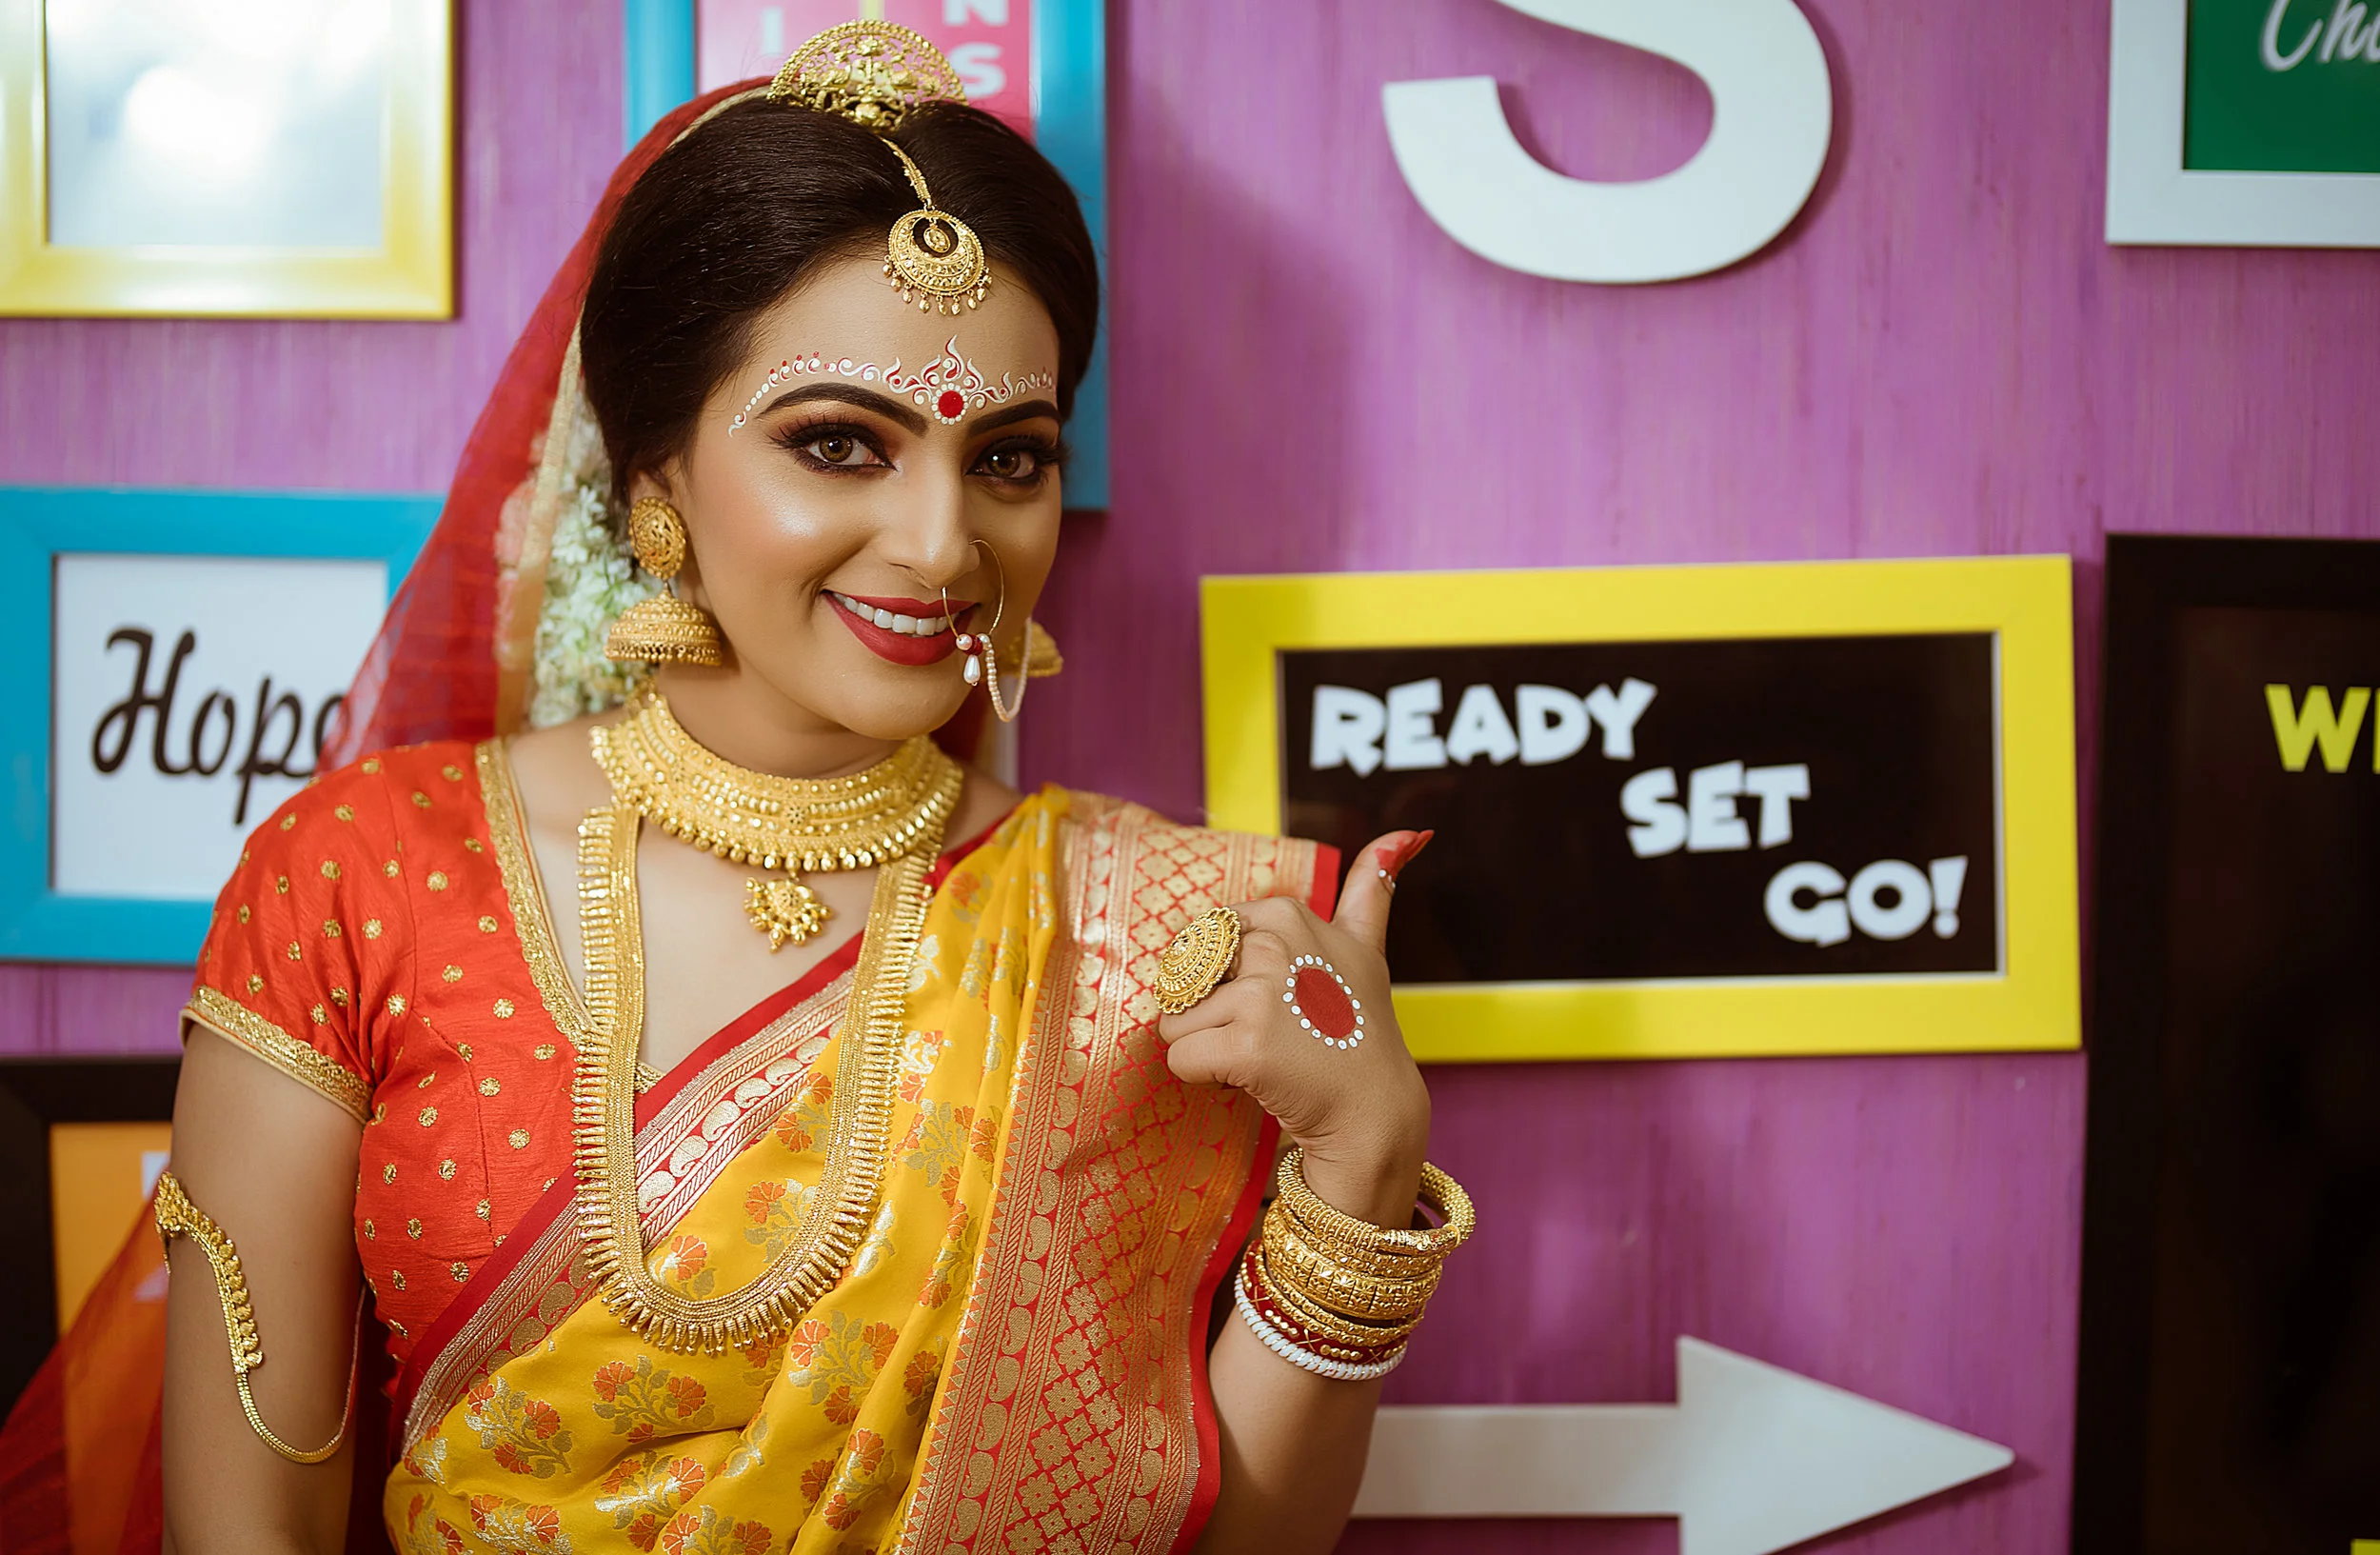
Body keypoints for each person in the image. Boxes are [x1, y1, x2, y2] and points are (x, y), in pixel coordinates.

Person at [5, 25, 1471, 1554]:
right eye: (839, 443)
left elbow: (1240, 1544)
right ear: (654, 485)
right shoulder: (365, 877)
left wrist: (1359, 1177)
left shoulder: (1166, 938)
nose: (940, 544)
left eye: (1010, 458)